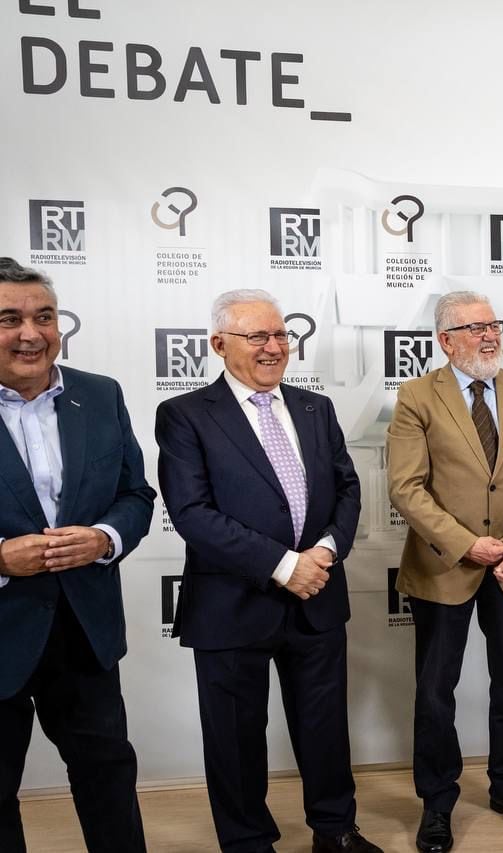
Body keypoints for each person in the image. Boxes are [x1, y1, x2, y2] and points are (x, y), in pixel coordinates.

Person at [155, 289, 378, 853]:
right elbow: (192, 513)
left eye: (281, 335)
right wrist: (283, 566)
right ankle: (249, 842)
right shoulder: (184, 415)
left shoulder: (314, 407)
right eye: (258, 336)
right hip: (231, 604)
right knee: (234, 738)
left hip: (319, 596)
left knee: (325, 728)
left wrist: (323, 553)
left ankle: (336, 830)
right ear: (219, 344)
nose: (274, 346)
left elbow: (348, 488)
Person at [387, 290, 503, 853]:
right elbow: (406, 487)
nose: (491, 335)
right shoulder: (416, 396)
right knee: (436, 691)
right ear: (446, 340)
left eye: (495, 324)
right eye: (476, 327)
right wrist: (468, 544)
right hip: (444, 568)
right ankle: (437, 803)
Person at [0, 258, 155, 853]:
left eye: (43, 316)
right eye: (9, 319)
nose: (30, 333)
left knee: (109, 777)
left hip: (83, 629)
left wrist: (104, 539)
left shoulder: (100, 394)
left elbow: (135, 496)